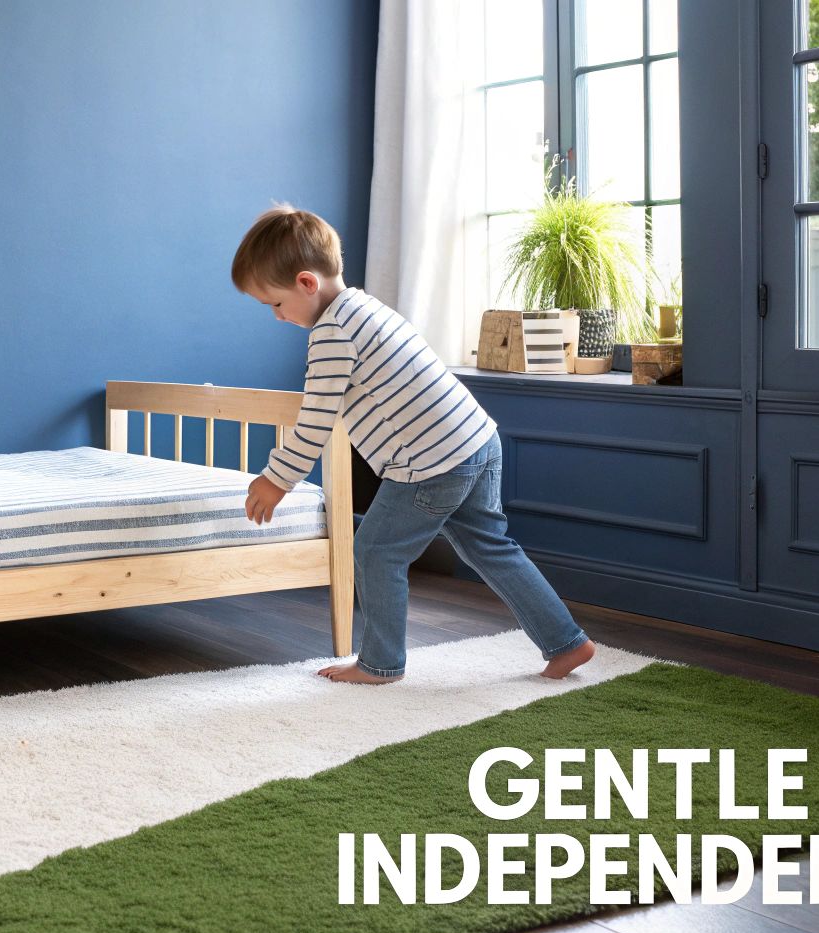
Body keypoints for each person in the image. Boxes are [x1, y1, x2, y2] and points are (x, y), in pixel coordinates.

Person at [231, 204, 597, 683]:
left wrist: (276, 479)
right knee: (491, 546)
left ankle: (380, 663)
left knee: (377, 551)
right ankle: (567, 641)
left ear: (306, 283)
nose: (277, 317)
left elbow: (315, 420)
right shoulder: (364, 307)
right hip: (476, 440)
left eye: (274, 304)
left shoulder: (332, 333)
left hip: (432, 462)